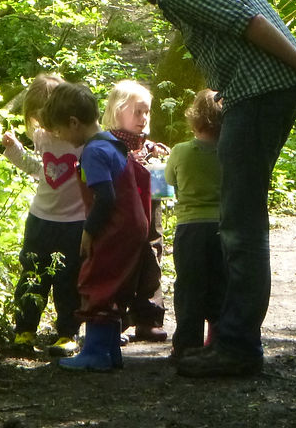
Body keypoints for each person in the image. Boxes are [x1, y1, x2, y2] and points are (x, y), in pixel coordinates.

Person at [103, 0, 296, 377]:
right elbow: (253, 17)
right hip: (258, 92)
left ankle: (237, 347)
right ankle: (232, 339)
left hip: (261, 93)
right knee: (239, 219)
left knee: (240, 223)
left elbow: (252, 24)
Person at [40, 81, 152, 372]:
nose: (61, 137)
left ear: (73, 123)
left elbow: (105, 198)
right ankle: (111, 350)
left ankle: (96, 353)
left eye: (60, 131)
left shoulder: (94, 152)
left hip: (114, 226)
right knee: (115, 284)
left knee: (97, 281)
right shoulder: (113, 142)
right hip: (133, 225)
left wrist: (89, 231)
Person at [2, 74, 86, 357]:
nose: (43, 126)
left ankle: (67, 332)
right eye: (37, 120)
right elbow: (39, 170)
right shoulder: (41, 139)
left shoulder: (80, 141)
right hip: (40, 219)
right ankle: (25, 329)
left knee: (68, 277)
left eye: (47, 118)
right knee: (32, 274)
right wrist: (13, 150)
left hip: (74, 222)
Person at [101, 79, 170, 343]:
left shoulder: (151, 149)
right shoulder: (106, 145)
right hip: (120, 215)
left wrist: (160, 170)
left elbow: (162, 191)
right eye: (137, 111)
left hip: (150, 214)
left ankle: (149, 317)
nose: (143, 117)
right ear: (118, 110)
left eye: (146, 112)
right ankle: (114, 317)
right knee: (118, 260)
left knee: (152, 256)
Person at [165, 89, 224, 359]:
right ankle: (218, 340)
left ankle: (187, 344)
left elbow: (167, 182)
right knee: (220, 284)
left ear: (195, 119)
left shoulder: (180, 151)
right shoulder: (228, 153)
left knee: (189, 286)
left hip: (190, 227)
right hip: (223, 227)